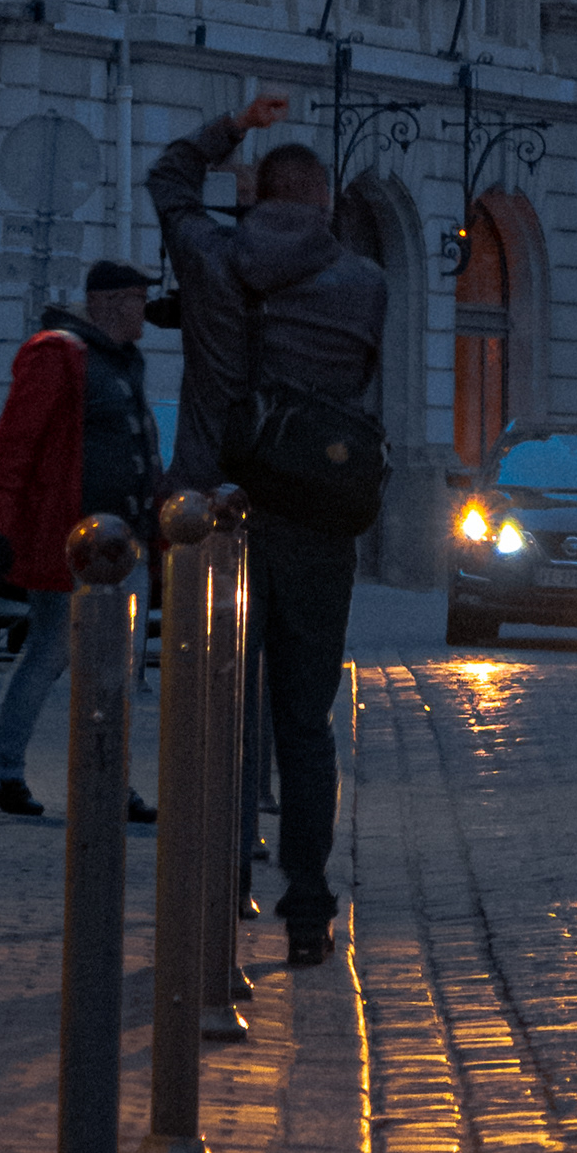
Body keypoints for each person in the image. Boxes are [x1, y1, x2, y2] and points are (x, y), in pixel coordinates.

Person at [150, 92, 388, 970]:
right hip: (318, 519)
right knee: (304, 719)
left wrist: (232, 126)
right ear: (323, 202)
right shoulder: (367, 283)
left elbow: (168, 177)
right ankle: (308, 904)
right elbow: (362, 385)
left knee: (211, 709)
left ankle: (213, 885)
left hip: (213, 512)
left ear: (256, 196)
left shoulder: (211, 259)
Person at [0, 262, 165, 817]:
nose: (145, 311)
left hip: (125, 541)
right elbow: (15, 445)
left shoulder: (124, 360)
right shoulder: (58, 354)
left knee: (122, 667)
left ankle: (109, 776)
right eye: (136, 299)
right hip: (74, 541)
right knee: (49, 653)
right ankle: (4, 769)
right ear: (107, 304)